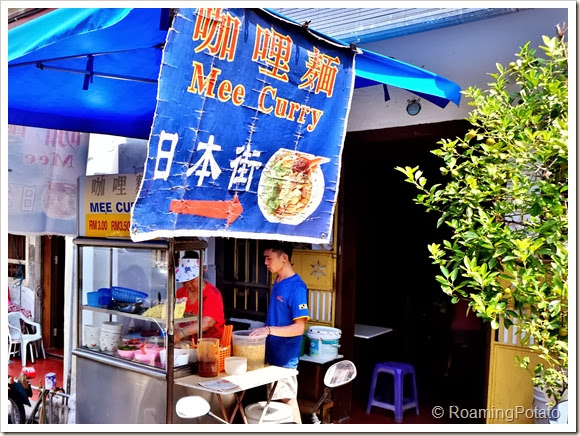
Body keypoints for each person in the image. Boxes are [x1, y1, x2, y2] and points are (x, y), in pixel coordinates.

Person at [250, 241, 310, 424]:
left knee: (287, 399)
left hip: (285, 357)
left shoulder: (297, 287)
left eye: (269, 258)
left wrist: (267, 330)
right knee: (275, 401)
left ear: (284, 258)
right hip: (272, 353)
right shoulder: (277, 281)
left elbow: (299, 328)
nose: (265, 263)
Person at [173, 251, 225, 343]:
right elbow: (174, 316)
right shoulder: (180, 293)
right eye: (184, 280)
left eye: (192, 280)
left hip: (211, 344)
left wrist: (181, 333)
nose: (188, 284)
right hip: (187, 342)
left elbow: (207, 322)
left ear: (201, 274)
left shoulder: (213, 294)